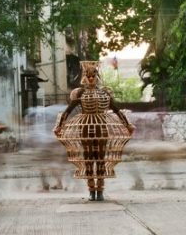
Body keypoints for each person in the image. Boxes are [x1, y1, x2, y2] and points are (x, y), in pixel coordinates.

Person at [53, 61, 136, 201]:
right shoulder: (80, 93)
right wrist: (59, 125)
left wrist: (127, 124)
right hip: (85, 129)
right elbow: (68, 111)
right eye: (88, 75)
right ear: (84, 76)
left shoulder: (104, 93)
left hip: (101, 128)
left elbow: (116, 110)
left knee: (101, 158)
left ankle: (100, 190)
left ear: (97, 76)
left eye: (93, 75)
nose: (91, 78)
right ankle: (92, 190)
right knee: (89, 158)